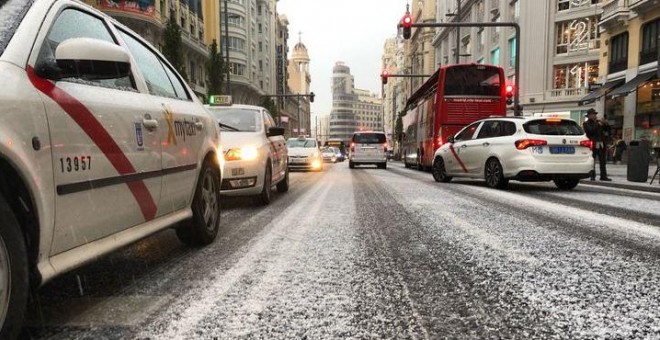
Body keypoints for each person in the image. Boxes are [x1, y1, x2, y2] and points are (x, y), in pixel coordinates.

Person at [583, 108, 611, 181]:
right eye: (592, 114)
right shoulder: (586, 124)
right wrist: (598, 124)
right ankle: (592, 175)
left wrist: (606, 124)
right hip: (593, 143)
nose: (594, 116)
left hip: (600, 143)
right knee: (593, 160)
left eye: (595, 114)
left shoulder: (599, 123)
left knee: (602, 160)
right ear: (589, 116)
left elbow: (607, 131)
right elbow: (591, 131)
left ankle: (603, 176)